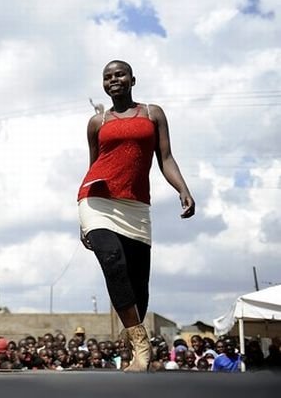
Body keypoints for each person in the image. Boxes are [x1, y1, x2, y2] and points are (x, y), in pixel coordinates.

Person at [78, 60, 195, 372]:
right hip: (97, 199)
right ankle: (141, 344)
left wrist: (182, 188)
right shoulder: (97, 122)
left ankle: (130, 347)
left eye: (120, 74)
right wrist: (83, 220)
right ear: (103, 83)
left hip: (136, 206)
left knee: (138, 285)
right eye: (107, 76)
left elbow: (166, 158)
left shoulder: (152, 113)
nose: (114, 79)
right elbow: (94, 164)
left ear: (132, 79)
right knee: (111, 260)